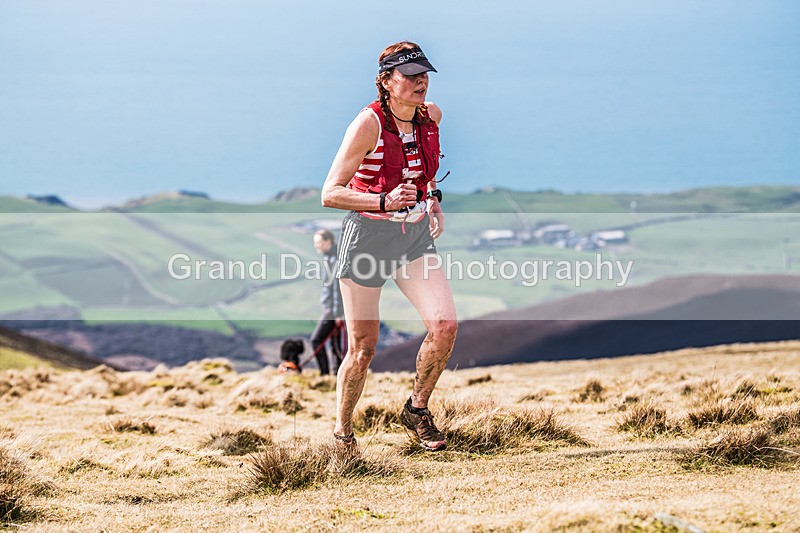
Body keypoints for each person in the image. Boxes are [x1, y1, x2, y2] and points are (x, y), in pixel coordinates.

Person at [321, 41, 458, 452]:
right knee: (363, 348)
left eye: (424, 74)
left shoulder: (430, 116)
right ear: (386, 81)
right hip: (367, 236)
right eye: (410, 75)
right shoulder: (368, 125)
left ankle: (416, 410)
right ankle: (343, 435)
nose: (421, 82)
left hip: (413, 236)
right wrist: (383, 201)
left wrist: (431, 198)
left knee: (445, 326)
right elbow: (331, 193)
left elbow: (424, 168)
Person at [310, 229, 344, 375]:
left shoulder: (334, 259)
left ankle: (325, 374)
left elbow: (336, 288)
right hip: (332, 309)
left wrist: (337, 314)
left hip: (332, 310)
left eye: (319, 242)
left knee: (316, 340)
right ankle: (337, 375)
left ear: (328, 241)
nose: (316, 246)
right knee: (335, 343)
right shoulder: (330, 257)